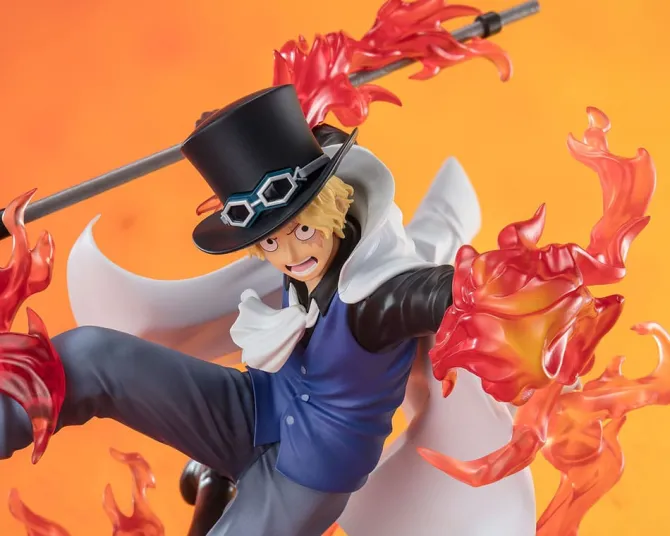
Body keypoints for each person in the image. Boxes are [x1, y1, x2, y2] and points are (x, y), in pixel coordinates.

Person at [0, 84, 467, 535]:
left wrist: (497, 284)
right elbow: (314, 134)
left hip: (308, 478)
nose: (290, 255)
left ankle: (217, 483)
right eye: (271, 241)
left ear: (335, 207)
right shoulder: (307, 252)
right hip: (255, 408)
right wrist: (249, 130)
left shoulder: (382, 297)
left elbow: (453, 291)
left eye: (303, 230)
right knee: (92, 355)